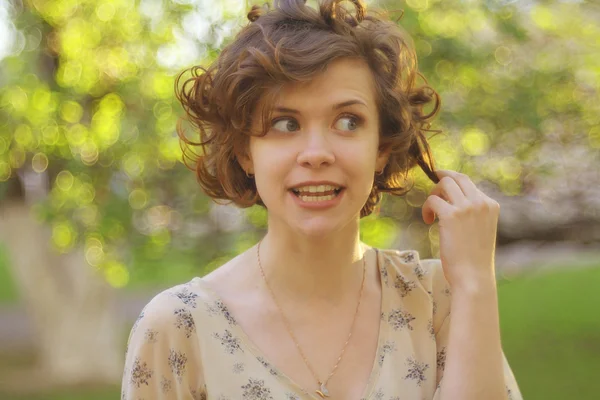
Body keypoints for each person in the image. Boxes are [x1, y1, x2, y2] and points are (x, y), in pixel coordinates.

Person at [121, 0, 523, 399]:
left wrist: (475, 282)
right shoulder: (178, 328)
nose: (316, 153)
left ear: (381, 147)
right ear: (246, 151)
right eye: (285, 123)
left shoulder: (441, 298)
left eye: (348, 122)